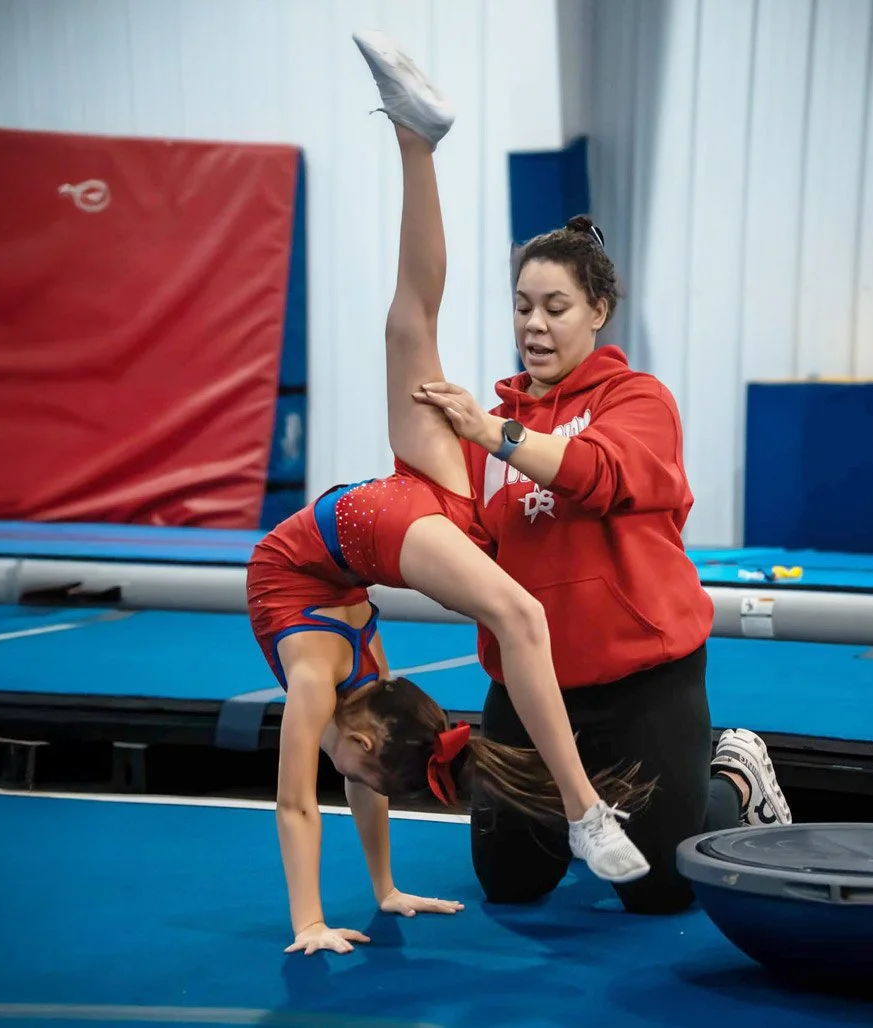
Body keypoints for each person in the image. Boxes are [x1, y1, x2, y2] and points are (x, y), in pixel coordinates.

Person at [246, 29, 654, 958]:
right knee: (409, 325)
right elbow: (359, 778)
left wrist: (310, 921)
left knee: (518, 615)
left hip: (373, 522)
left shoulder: (318, 680)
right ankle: (414, 139)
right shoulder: (360, 677)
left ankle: (586, 811)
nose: (355, 776)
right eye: (528, 306)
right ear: (370, 735)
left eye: (554, 307)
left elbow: (294, 800)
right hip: (382, 518)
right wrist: (384, 894)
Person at [413, 218, 794, 915]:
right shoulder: (489, 433)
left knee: (661, 891)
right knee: (511, 883)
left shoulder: (636, 401)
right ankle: (582, 810)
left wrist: (492, 434)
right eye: (523, 306)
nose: (535, 324)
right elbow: (462, 544)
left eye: (555, 307)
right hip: (533, 688)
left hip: (641, 682)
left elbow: (598, 473)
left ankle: (733, 774)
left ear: (597, 310)